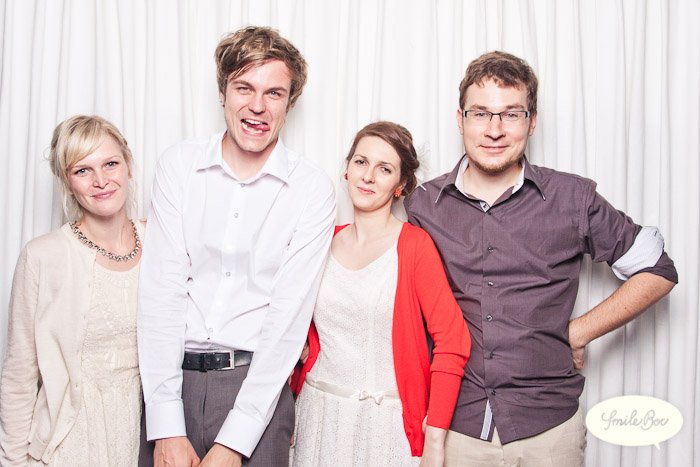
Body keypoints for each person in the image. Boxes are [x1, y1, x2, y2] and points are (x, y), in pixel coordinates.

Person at [405, 51, 678, 466]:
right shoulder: (423, 205)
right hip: (455, 429)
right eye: (481, 113)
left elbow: (657, 269)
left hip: (549, 431)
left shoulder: (572, 198)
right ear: (460, 120)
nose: (494, 129)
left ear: (532, 121)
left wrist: (580, 331)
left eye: (511, 114)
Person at [137, 26, 335, 466]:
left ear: (290, 103)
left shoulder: (311, 189)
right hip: (173, 385)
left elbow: (288, 321)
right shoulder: (179, 166)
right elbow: (161, 293)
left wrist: (235, 442)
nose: (257, 106)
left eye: (274, 93)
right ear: (222, 92)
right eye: (244, 87)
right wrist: (166, 425)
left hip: (257, 391)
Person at [291, 121, 471, 466]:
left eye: (384, 169)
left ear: (400, 185)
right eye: (361, 162)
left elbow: (453, 341)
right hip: (317, 415)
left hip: (386, 424)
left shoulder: (414, 246)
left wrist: (435, 438)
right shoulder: (321, 240)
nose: (368, 176)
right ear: (347, 169)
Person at [0, 115, 145, 466]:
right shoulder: (42, 256)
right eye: (82, 170)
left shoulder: (161, 242)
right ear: (66, 182)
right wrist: (13, 461)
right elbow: (19, 377)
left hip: (142, 443)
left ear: (128, 165)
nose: (101, 181)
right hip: (68, 448)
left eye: (110, 164)